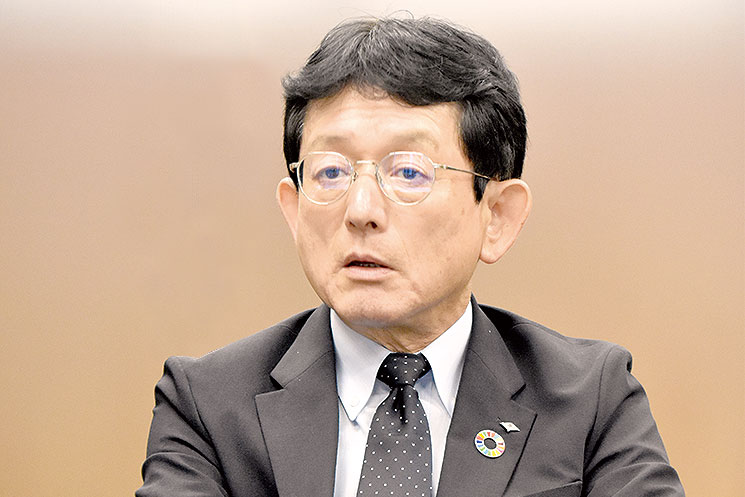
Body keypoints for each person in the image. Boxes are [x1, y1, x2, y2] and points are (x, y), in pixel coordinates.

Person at [136, 16, 685, 497]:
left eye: (408, 172)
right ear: (294, 209)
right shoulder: (208, 404)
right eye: (331, 171)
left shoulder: (591, 399)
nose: (361, 210)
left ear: (497, 216)